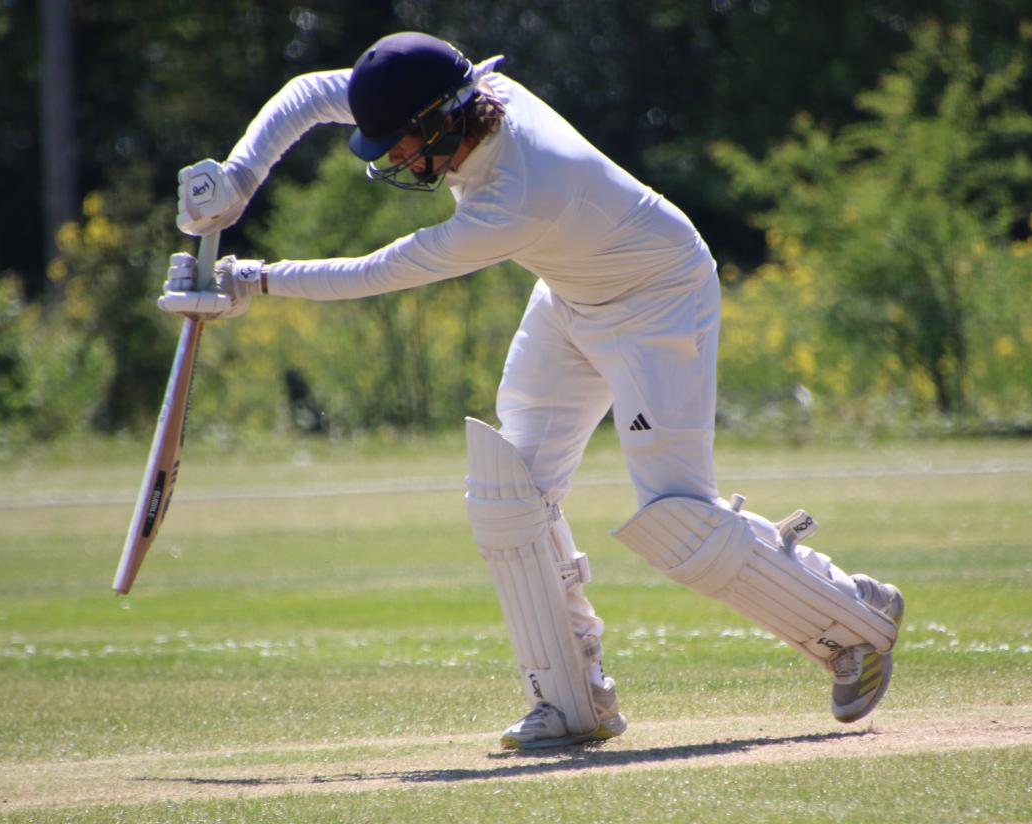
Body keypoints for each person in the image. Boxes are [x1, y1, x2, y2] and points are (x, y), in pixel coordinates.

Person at [158, 31, 904, 751]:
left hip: (658, 300)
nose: (394, 157)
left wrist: (254, 280)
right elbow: (307, 94)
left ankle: (855, 622)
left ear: (442, 120)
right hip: (571, 294)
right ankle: (574, 702)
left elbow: (384, 270)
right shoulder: (455, 97)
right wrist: (238, 179)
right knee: (510, 494)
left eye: (403, 142)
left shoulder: (518, 191)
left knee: (678, 518)